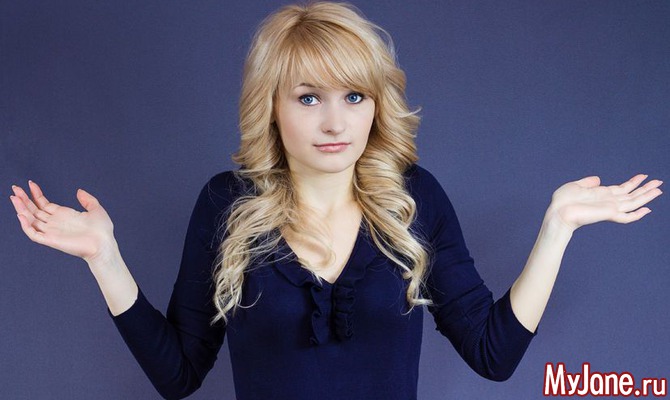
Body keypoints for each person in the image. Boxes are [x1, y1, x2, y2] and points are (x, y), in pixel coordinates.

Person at [9, 2, 663, 400]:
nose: (334, 122)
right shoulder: (225, 205)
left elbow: (493, 355)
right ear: (271, 105)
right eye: (308, 97)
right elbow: (178, 375)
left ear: (376, 104)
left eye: (354, 96)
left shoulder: (414, 200)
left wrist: (557, 228)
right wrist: (104, 258)